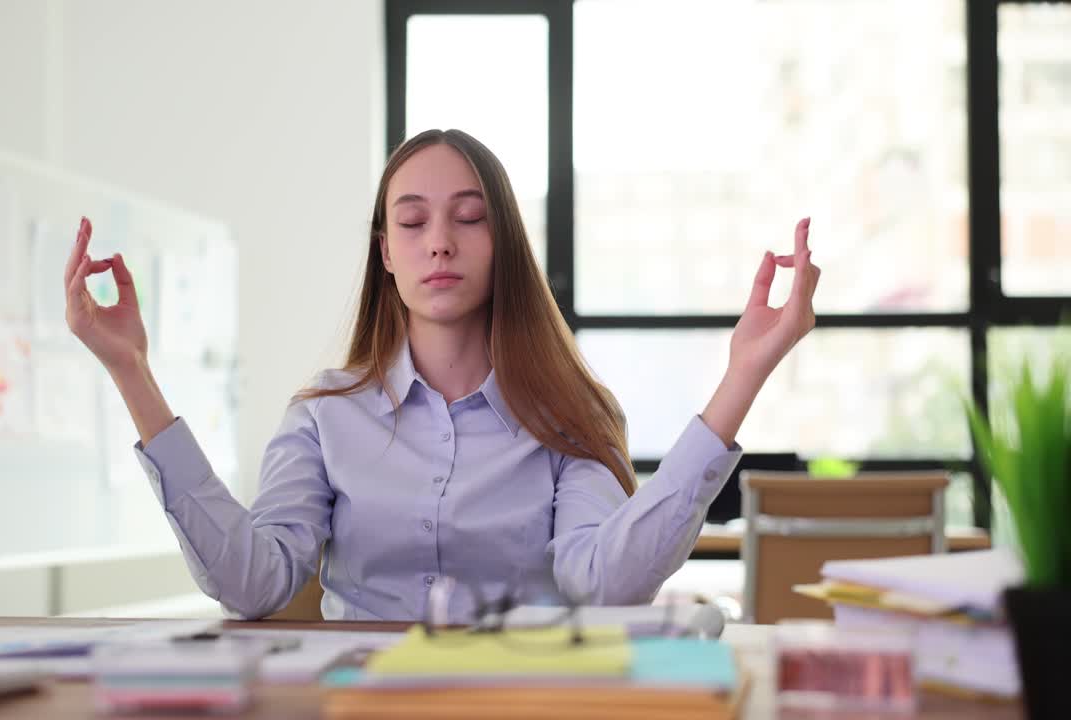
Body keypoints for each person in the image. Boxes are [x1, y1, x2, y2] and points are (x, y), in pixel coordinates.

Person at [63, 129, 820, 621]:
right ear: (385, 251)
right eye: (413, 221)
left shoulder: (570, 414)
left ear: (504, 243)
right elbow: (254, 581)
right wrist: (131, 371)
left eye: (469, 216)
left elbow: (607, 582)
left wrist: (742, 377)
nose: (440, 244)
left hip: (518, 699)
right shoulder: (325, 416)